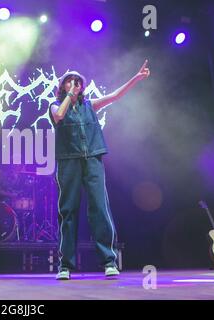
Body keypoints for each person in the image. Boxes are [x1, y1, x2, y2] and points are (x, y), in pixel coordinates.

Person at [49, 61, 150, 279]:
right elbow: (58, 117)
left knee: (100, 209)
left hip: (92, 159)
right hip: (69, 162)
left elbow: (114, 96)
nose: (73, 84)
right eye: (69, 81)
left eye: (77, 82)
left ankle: (108, 262)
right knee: (68, 212)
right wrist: (69, 96)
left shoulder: (90, 105)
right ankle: (65, 266)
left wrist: (136, 77)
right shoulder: (55, 105)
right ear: (63, 86)